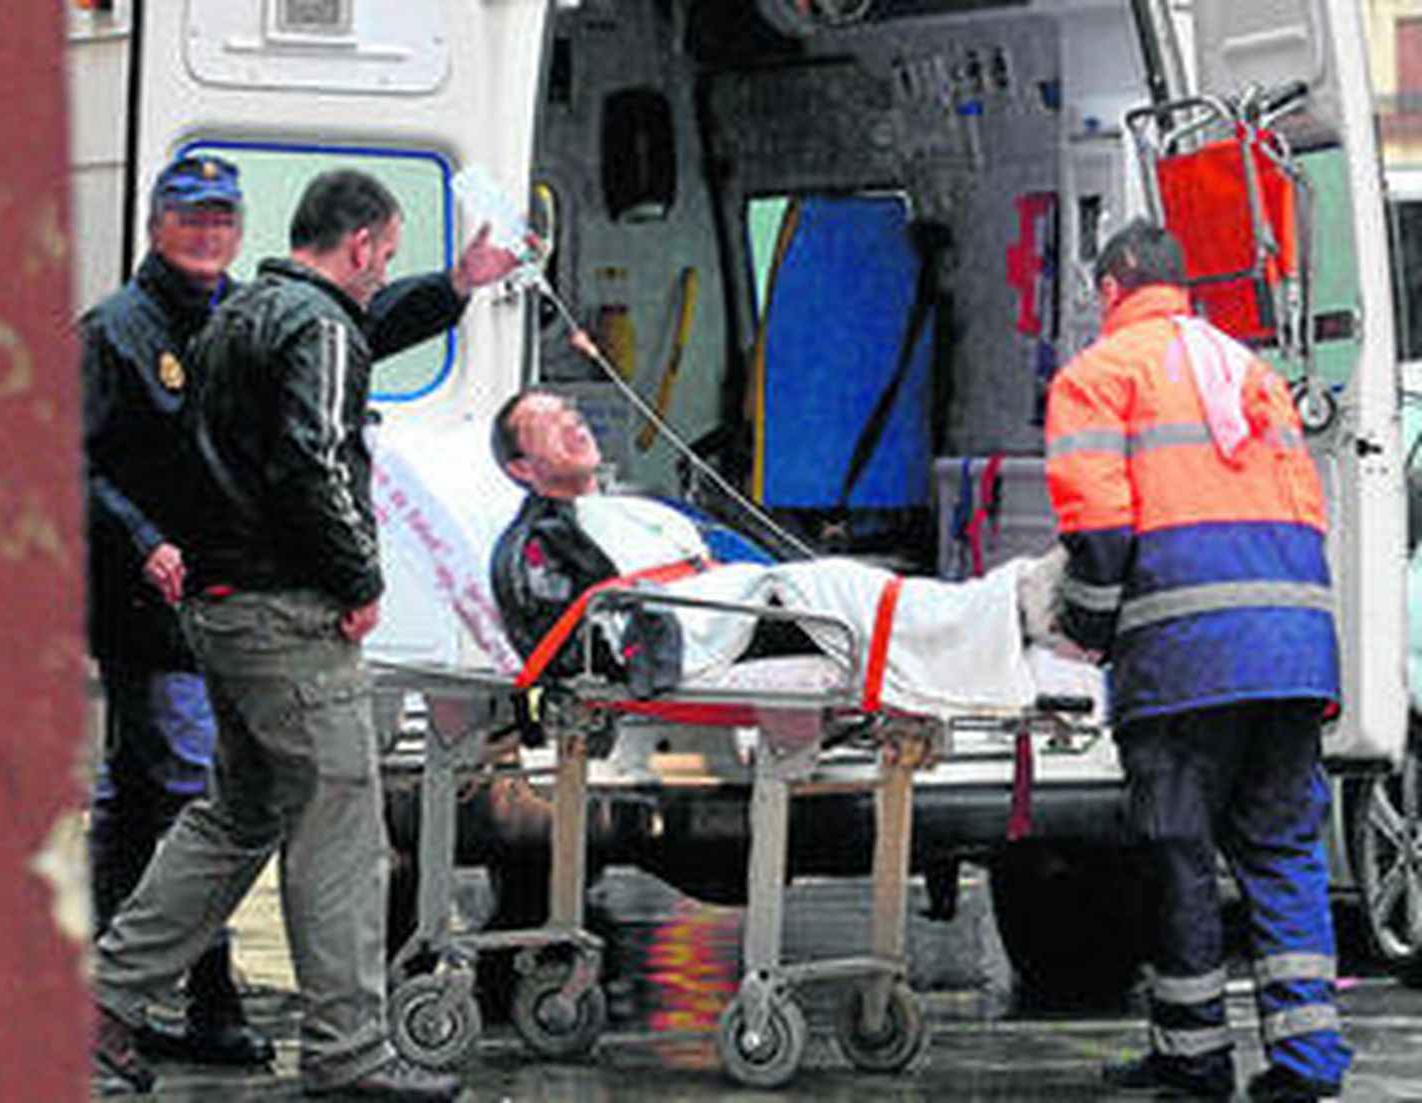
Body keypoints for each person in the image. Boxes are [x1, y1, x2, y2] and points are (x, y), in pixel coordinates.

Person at [92, 168, 517, 1100]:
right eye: (386, 255)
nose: (383, 271)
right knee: (340, 823)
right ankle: (349, 1049)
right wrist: (359, 577)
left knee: (235, 814)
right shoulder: (316, 327)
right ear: (359, 244)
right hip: (289, 616)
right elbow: (313, 463)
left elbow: (348, 343)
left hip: (220, 610)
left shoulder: (239, 316)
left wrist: (454, 284)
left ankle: (103, 1001)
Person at [1043, 219, 1350, 1101]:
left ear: (1110, 289)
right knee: (1283, 852)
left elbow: (1101, 536)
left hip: (1186, 658)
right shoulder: (1251, 372)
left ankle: (1194, 1058)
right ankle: (1307, 1061)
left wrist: (1084, 632)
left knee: (1178, 856)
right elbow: (1305, 511)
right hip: (1294, 649)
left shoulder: (1098, 377)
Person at [487, 388, 1059, 714]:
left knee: (838, 582)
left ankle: (1005, 611)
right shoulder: (536, 545)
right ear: (521, 468)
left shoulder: (650, 509)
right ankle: (1011, 607)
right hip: (697, 635)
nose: (573, 425)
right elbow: (568, 647)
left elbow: (736, 558)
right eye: (548, 425)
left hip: (736, 610)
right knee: (832, 585)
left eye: (571, 414)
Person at [79, 153, 273, 1067]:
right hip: (142, 606)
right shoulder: (113, 331)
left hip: (226, 598)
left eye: (221, 218)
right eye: (190, 217)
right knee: (197, 792)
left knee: (137, 792)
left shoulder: (246, 318)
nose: (207, 232)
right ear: (157, 224)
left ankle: (103, 978)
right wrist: (142, 538)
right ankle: (208, 995)